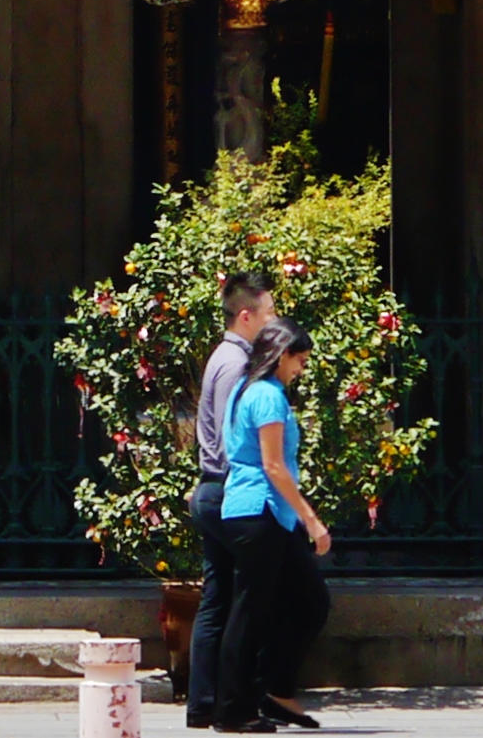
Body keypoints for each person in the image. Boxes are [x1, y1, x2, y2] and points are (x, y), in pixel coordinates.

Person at [212, 320, 332, 734]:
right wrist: (312, 520)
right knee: (251, 611)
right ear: (282, 355)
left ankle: (274, 692)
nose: (301, 368)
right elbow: (273, 465)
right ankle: (233, 710)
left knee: (304, 601)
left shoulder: (249, 389)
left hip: (260, 513)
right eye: (299, 360)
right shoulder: (266, 396)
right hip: (260, 511)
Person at [182, 272, 278, 726]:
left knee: (219, 597)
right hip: (228, 491)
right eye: (270, 312)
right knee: (250, 597)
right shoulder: (237, 364)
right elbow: (231, 438)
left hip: (212, 488)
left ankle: (203, 703)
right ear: (247, 315)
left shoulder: (222, 356)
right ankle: (234, 705)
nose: (274, 320)